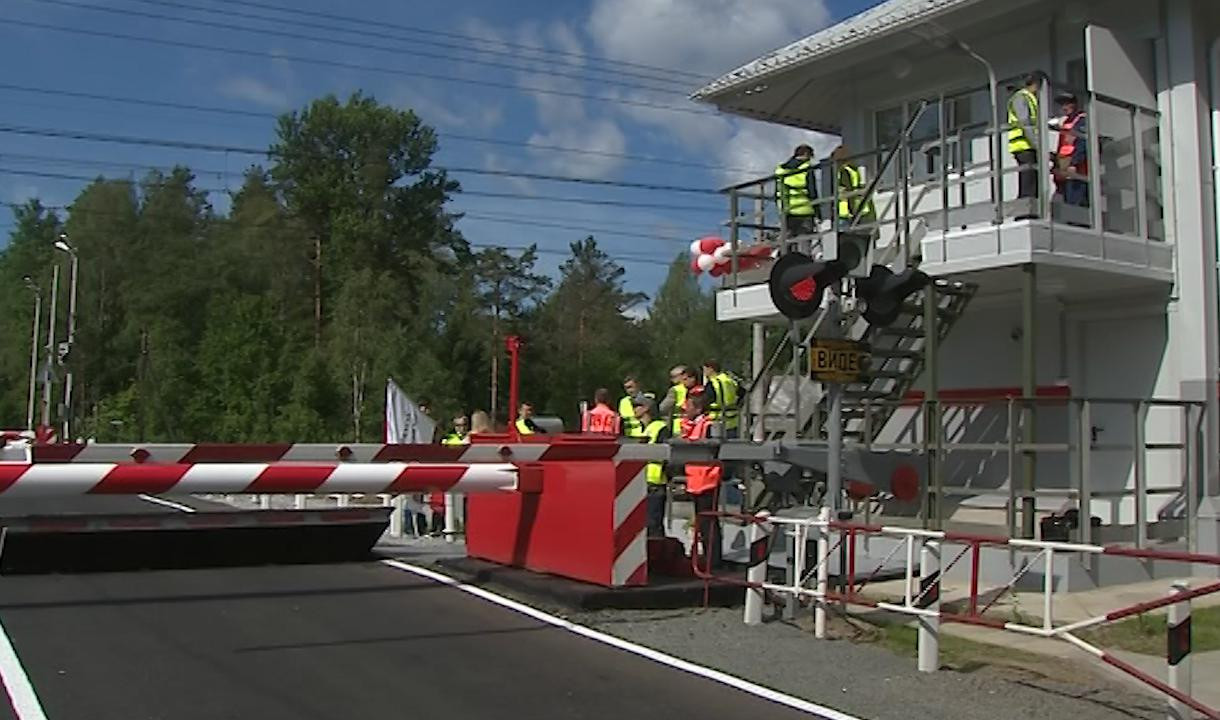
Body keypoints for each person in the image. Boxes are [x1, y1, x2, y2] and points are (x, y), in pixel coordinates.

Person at [680, 391, 722, 569]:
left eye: (687, 407)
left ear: (697, 408)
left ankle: (714, 561)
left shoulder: (709, 425)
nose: (684, 411)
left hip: (708, 479)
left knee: (709, 522)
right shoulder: (693, 425)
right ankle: (707, 557)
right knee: (702, 521)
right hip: (696, 480)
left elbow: (714, 450)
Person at [631, 396, 671, 538]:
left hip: (655, 483)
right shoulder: (639, 428)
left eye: (637, 406)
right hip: (639, 483)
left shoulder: (660, 428)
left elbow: (666, 454)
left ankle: (658, 556)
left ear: (646, 408)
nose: (633, 409)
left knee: (653, 525)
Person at [1049, 92, 1089, 209]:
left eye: (1067, 104)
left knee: (1076, 200)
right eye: (1062, 105)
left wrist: (1074, 163)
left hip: (1077, 168)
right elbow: (1062, 145)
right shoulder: (1066, 122)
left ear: (1074, 104)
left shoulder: (1082, 120)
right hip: (1065, 166)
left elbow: (1082, 144)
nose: (1064, 108)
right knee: (1067, 199)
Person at [1008, 73, 1043, 205]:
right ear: (1036, 84)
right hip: (1023, 145)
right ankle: (1025, 209)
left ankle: (1030, 208)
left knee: (1032, 178)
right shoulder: (1021, 98)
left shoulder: (1027, 98)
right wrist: (1038, 145)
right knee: (1028, 180)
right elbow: (1025, 123)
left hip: (1027, 145)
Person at [433, 415, 470, 536]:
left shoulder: (471, 437)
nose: (461, 428)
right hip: (452, 473)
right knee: (445, 503)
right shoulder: (447, 438)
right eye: (458, 425)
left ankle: (466, 527)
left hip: (469, 474)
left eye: (464, 425)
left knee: (467, 504)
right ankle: (441, 527)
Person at [775, 144, 821, 238]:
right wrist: (818, 212)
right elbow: (812, 192)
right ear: (806, 154)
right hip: (805, 210)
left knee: (788, 241)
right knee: (804, 241)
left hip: (787, 210)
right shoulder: (806, 169)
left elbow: (777, 192)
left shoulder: (781, 170)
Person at [832, 145, 875, 228]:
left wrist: (853, 212)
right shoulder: (854, 170)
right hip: (858, 210)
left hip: (847, 213)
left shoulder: (844, 171)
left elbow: (848, 193)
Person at [702, 360, 739, 439]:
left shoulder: (713, 383)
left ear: (711, 369)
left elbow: (707, 400)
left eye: (705, 369)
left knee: (715, 447)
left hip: (716, 420)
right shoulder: (730, 381)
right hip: (732, 419)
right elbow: (741, 394)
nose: (704, 372)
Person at [659, 365, 689, 435]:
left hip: (679, 425)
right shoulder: (696, 387)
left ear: (683, 375)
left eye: (674, 376)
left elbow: (663, 408)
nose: (671, 379)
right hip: (694, 424)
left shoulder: (675, 390)